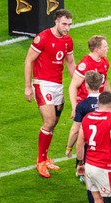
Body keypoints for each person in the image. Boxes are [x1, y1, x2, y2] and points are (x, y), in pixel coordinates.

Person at [24, 9, 75, 178]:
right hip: (42, 84)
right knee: (49, 121)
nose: (67, 27)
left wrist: (78, 84)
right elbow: (29, 60)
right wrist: (28, 86)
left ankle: (45, 158)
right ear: (56, 22)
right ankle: (40, 160)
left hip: (57, 86)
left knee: (53, 124)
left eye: (69, 24)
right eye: (64, 24)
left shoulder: (68, 40)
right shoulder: (43, 38)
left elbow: (70, 63)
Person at [65, 70, 111, 203]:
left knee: (92, 187)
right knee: (106, 184)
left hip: (91, 153)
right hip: (108, 152)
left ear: (86, 85)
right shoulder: (108, 103)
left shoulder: (82, 106)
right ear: (102, 83)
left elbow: (76, 131)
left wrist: (69, 147)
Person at [68, 35, 111, 120]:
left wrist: (110, 98)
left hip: (99, 102)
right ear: (97, 50)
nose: (108, 48)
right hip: (85, 103)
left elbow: (105, 81)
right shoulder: (85, 65)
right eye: (105, 46)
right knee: (80, 130)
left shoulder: (104, 61)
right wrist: (74, 107)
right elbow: (73, 86)